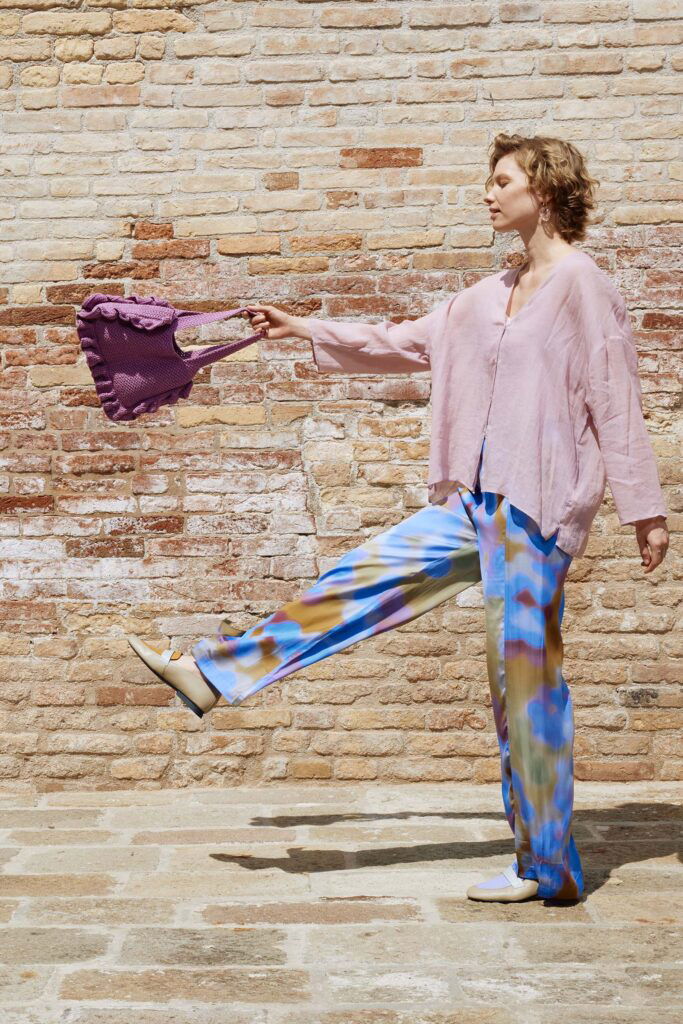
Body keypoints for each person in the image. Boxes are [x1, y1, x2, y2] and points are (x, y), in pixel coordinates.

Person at [127, 133, 669, 904]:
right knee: (362, 577)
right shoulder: (484, 295)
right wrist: (303, 328)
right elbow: (402, 342)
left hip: (536, 510)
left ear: (543, 191)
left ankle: (546, 869)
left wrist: (643, 510)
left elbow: (615, 400)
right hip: (472, 502)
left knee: (523, 686)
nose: (487, 193)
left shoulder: (583, 285)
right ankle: (215, 672)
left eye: (501, 181)